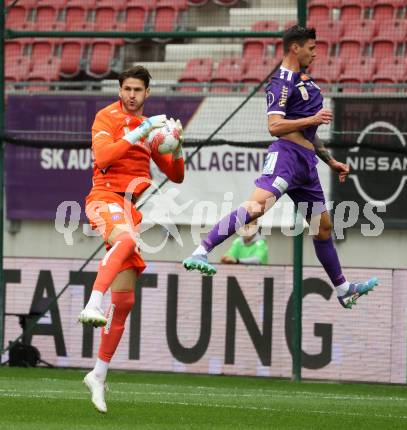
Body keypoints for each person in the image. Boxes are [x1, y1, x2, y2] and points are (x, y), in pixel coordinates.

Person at [183, 25, 378, 307]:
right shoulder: (281, 82)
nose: (315, 53)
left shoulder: (306, 81)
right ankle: (202, 250)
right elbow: (275, 126)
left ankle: (344, 289)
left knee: (322, 227)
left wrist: (330, 161)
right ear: (295, 48)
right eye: (311, 48)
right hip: (286, 157)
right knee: (255, 208)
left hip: (306, 165)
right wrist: (311, 121)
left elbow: (309, 133)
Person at [78, 66, 184, 413]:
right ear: (120, 90)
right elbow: (103, 157)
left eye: (138, 89)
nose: (132, 95)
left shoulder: (151, 127)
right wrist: (139, 131)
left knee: (124, 303)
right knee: (125, 242)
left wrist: (178, 146)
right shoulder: (106, 118)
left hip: (129, 208)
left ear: (147, 92)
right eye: (127, 89)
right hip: (104, 199)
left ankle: (98, 374)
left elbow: (176, 175)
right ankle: (94, 301)